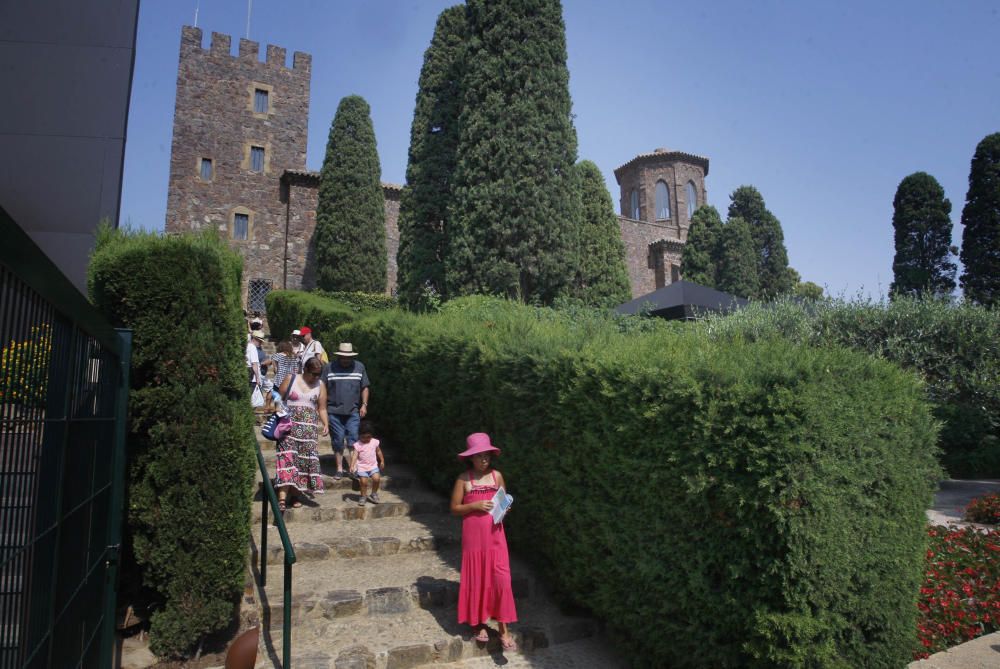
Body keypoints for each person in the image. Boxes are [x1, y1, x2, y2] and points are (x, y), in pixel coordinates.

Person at [450, 433, 517, 651]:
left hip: (496, 537)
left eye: (487, 455)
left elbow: (504, 502)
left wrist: (505, 508)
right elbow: (454, 508)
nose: (484, 460)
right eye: (479, 456)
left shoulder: (497, 476)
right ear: (471, 458)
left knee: (502, 579)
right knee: (477, 578)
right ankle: (478, 624)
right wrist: (474, 506)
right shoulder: (463, 479)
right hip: (474, 540)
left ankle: (504, 628)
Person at [274, 357, 329, 510]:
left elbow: (322, 408)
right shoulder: (291, 378)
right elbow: (278, 398)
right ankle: (282, 498)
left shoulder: (321, 385)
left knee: (303, 464)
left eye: (319, 374)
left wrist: (326, 424)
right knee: (287, 460)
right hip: (288, 429)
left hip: (308, 433)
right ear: (305, 370)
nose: (316, 377)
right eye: (314, 374)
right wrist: (278, 412)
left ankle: (296, 495)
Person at [323, 342, 370, 479]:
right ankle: (339, 469)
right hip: (333, 411)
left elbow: (365, 387)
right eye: (343, 357)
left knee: (354, 439)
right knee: (337, 440)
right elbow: (322, 387)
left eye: (348, 357)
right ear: (339, 356)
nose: (345, 359)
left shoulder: (359, 367)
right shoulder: (329, 368)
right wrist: (322, 408)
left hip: (353, 411)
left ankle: (353, 468)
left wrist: (364, 404)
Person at [349, 420, 385, 507]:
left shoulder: (374, 442)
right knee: (363, 482)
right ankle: (363, 496)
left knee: (377, 479)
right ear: (359, 435)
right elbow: (355, 456)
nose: (365, 439)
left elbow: (379, 451)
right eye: (363, 437)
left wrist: (382, 460)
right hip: (362, 467)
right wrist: (352, 465)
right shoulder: (357, 445)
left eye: (368, 437)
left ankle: (374, 493)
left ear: (371, 435)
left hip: (373, 466)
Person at [270, 340, 300, 415]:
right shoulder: (294, 356)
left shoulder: (276, 356)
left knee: (276, 394)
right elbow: (296, 369)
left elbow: (275, 370)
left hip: (279, 379)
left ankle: (277, 410)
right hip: (290, 379)